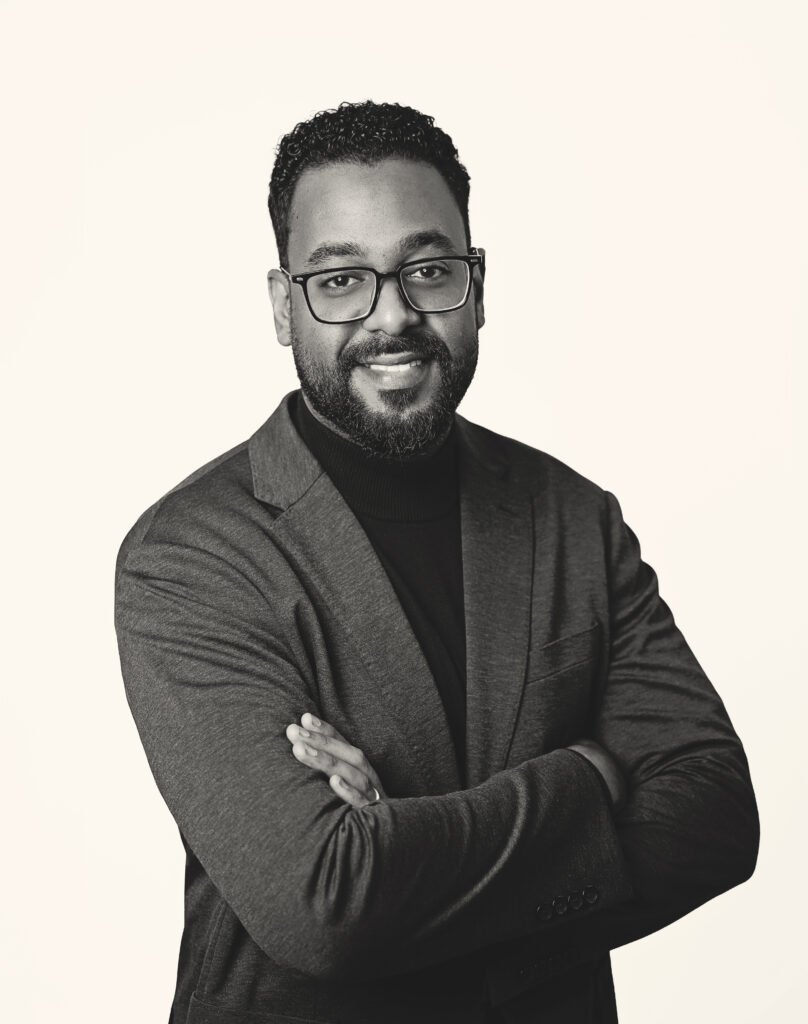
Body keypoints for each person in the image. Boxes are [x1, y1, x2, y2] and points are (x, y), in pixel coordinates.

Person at [114, 100, 759, 1024]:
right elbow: (325, 907)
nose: (393, 318)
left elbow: (714, 816)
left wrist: (402, 863)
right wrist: (591, 773)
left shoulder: (574, 516)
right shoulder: (188, 559)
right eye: (341, 281)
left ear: (478, 282)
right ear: (281, 303)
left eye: (427, 270)